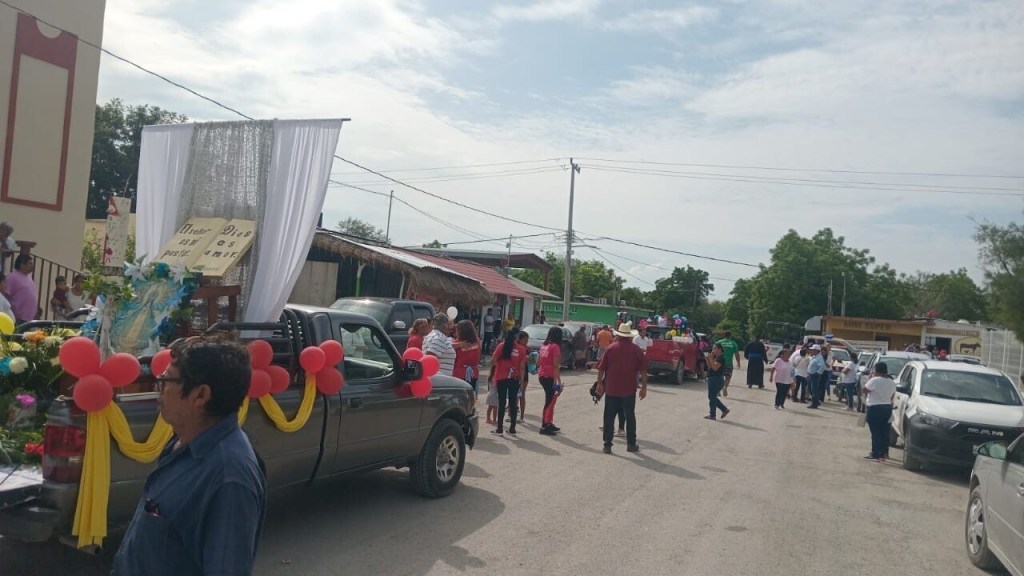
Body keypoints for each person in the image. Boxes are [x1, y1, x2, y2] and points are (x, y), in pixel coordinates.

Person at [112, 335, 266, 576]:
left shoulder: (229, 477)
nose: (158, 388)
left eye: (165, 380)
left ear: (200, 395)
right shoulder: (183, 441)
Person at [596, 322, 647, 454]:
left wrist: (600, 384)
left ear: (618, 335)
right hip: (629, 389)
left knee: (609, 416)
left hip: (612, 388)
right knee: (630, 416)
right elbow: (643, 371)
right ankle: (631, 444)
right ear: (630, 336)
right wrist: (644, 388)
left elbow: (601, 368)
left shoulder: (611, 348)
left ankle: (607, 445)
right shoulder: (637, 350)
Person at [489, 329, 526, 435]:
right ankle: (512, 428)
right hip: (515, 378)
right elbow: (522, 367)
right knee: (513, 403)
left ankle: (499, 429)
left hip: (501, 377)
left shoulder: (501, 346)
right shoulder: (521, 349)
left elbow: (493, 360)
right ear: (517, 337)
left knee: (501, 403)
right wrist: (522, 382)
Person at [862, 361, 897, 462]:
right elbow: (892, 395)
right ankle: (884, 453)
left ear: (876, 370)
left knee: (875, 432)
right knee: (884, 432)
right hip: (887, 407)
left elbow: (865, 390)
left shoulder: (874, 380)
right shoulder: (892, 382)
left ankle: (875, 453)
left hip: (874, 407)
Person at [537, 326, 564, 436]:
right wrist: (558, 382)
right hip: (550, 376)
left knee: (550, 399)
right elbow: (556, 366)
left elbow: (538, 362)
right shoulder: (555, 347)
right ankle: (545, 425)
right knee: (550, 401)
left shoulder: (544, 346)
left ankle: (548, 422)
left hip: (542, 375)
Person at [4, 254, 38, 324]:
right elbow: (6, 295)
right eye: (30, 263)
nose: (32, 266)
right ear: (22, 265)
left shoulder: (28, 277)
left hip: (29, 318)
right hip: (18, 318)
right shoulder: (12, 277)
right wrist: (13, 311)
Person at [453, 320, 481, 393]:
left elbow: (446, 347)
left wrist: (458, 345)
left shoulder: (457, 343)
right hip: (473, 374)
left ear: (461, 331)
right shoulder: (477, 341)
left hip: (459, 374)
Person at [704, 343, 730, 421]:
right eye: (713, 348)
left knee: (712, 397)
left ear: (719, 349)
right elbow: (709, 366)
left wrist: (710, 358)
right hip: (713, 378)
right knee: (712, 397)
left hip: (716, 379)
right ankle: (714, 414)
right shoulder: (716, 357)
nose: (713, 350)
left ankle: (722, 410)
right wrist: (708, 358)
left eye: (714, 348)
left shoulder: (720, 357)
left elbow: (715, 368)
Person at [716, 331, 741, 397]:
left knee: (719, 377)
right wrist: (738, 362)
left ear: (724, 335)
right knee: (727, 377)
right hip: (728, 363)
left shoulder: (719, 342)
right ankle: (725, 387)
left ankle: (718, 391)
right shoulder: (733, 343)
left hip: (719, 362)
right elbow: (737, 354)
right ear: (730, 336)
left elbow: (714, 352)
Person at [518, 331, 534, 421]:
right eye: (524, 340)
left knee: (522, 394)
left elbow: (532, 363)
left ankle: (522, 415)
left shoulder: (527, 349)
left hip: (525, 374)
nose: (526, 342)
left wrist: (530, 356)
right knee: (514, 396)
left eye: (527, 340)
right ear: (519, 340)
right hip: (516, 373)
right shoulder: (515, 348)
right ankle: (511, 414)